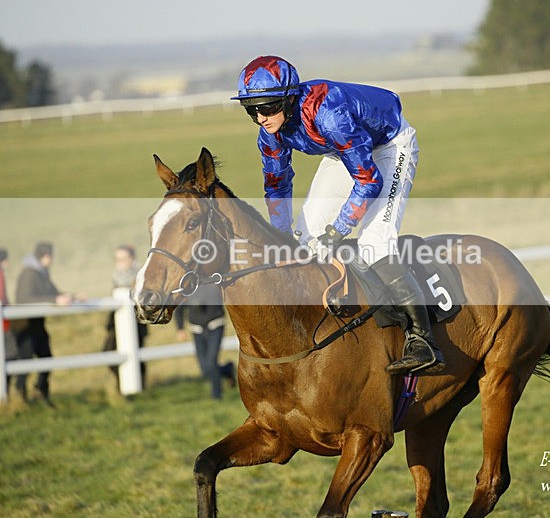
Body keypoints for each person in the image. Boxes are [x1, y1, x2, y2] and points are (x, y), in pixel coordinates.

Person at [232, 55, 444, 374]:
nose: (261, 117)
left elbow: (369, 179)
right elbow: (277, 183)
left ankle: (423, 341)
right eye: (252, 110)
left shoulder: (329, 114)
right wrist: (280, 232)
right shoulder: (270, 133)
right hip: (342, 151)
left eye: (268, 107)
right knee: (304, 236)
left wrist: (340, 229)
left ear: (289, 99)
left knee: (374, 242)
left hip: (389, 146)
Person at [14, 241, 78, 404]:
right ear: (46, 256)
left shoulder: (41, 272)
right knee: (25, 361)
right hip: (25, 326)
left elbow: (53, 292)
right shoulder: (29, 274)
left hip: (36, 324)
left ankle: (40, 390)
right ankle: (21, 394)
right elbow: (24, 299)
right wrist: (55, 299)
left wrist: (72, 296)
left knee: (46, 358)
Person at [174, 284, 234, 400]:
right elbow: (179, 309)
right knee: (205, 369)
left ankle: (216, 395)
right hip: (196, 330)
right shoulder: (188, 287)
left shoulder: (213, 284)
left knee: (211, 361)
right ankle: (227, 369)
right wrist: (180, 328)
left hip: (215, 326)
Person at [102, 244, 148, 387]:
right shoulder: (117, 274)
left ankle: (137, 386)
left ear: (132, 258)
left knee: (135, 355)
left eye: (123, 259)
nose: (120, 263)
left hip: (136, 322)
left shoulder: (141, 274)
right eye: (117, 259)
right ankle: (121, 383)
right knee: (109, 352)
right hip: (116, 322)